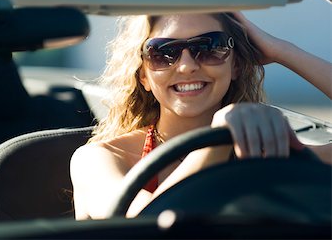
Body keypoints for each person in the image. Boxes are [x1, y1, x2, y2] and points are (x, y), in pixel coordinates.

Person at [70, 12, 332, 220]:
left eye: (209, 47)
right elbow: (144, 224)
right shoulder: (95, 159)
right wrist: (216, 139)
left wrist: (281, 50)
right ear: (143, 76)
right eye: (163, 53)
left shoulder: (262, 152)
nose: (186, 66)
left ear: (236, 65)